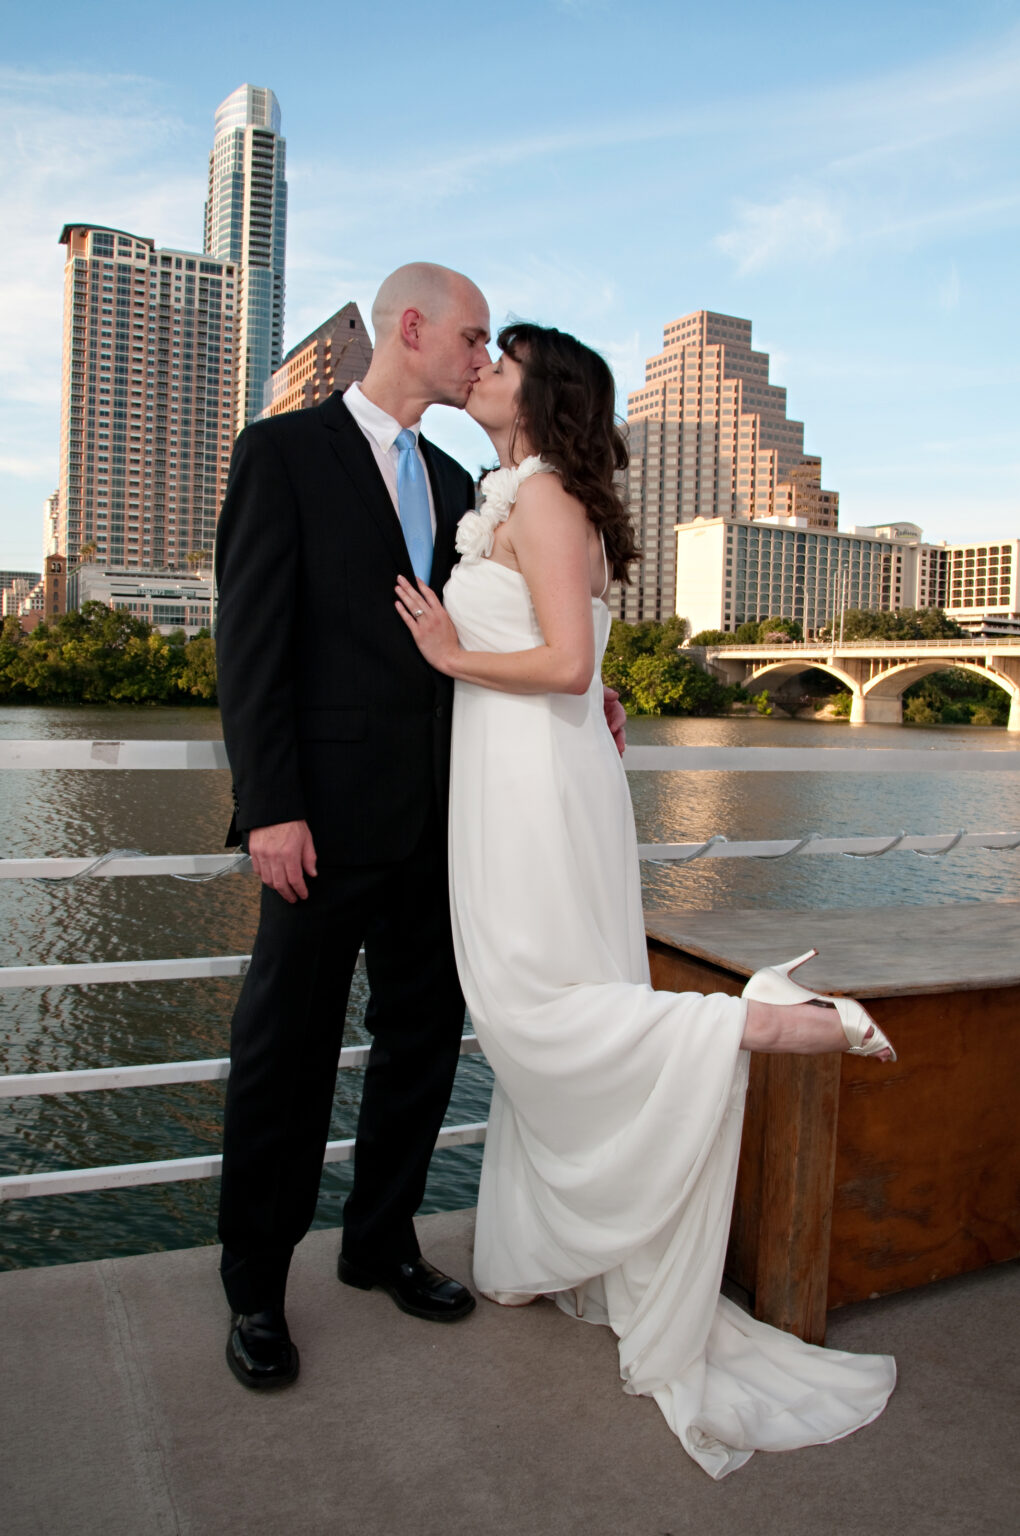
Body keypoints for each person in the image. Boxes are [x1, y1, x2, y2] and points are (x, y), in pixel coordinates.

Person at [395, 322, 897, 1479]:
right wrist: (577, 675)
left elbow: (564, 662)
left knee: (535, 1005)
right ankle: (538, 1251)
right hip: (513, 781)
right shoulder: (513, 493)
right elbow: (582, 656)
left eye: (502, 356)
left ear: (543, 392)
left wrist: (449, 655)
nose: (481, 365)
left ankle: (768, 1021)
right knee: (528, 1007)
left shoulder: (550, 502)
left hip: (534, 786)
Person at [214, 263, 494, 1391]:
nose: (483, 357)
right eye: (472, 337)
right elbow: (251, 646)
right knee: (286, 1060)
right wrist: (270, 807)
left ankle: (380, 1243)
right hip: (319, 828)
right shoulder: (280, 452)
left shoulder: (455, 475)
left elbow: (463, 642)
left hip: (443, 825)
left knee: (421, 1049)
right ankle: (254, 1293)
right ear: (411, 327)